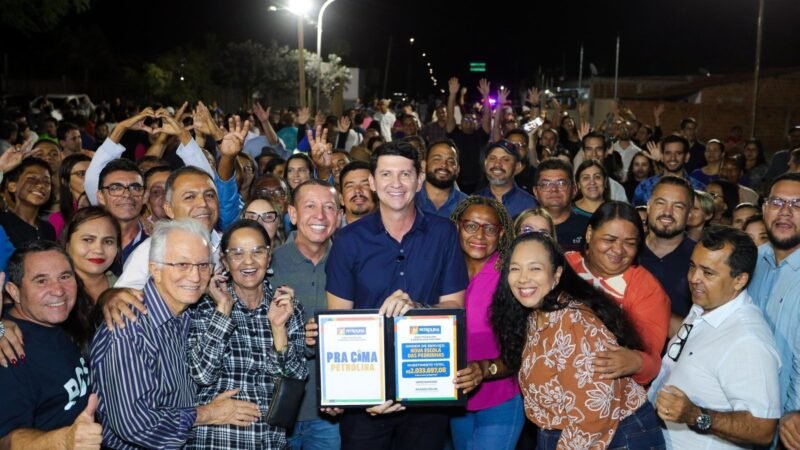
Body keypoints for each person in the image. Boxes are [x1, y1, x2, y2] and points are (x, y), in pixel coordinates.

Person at [325, 140, 468, 449]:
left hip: (426, 387)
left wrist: (416, 309)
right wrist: (363, 396)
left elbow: (455, 305)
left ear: (419, 180)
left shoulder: (444, 234)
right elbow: (339, 322)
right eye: (387, 175)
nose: (396, 184)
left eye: (405, 174)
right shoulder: (348, 241)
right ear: (374, 183)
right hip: (366, 401)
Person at [90, 219, 262, 449]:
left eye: (203, 265)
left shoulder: (187, 314)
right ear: (155, 269)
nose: (194, 276)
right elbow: (136, 425)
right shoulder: (129, 328)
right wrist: (207, 414)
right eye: (182, 265)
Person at [491, 232, 664, 449]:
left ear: (556, 275)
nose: (523, 277)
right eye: (515, 268)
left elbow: (592, 417)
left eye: (535, 268)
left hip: (614, 438)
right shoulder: (536, 314)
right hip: (569, 434)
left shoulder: (574, 325)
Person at [651, 226, 780, 449]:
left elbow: (763, 429)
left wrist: (695, 416)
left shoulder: (748, 341)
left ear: (739, 280)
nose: (694, 278)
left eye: (708, 273)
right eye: (693, 267)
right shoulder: (706, 305)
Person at [187, 220, 307, 449]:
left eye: (257, 251)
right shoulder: (203, 307)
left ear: (268, 256)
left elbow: (293, 382)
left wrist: (278, 328)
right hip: (219, 439)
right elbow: (202, 375)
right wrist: (222, 310)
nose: (249, 261)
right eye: (238, 253)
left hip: (269, 440)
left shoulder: (287, 307)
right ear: (224, 260)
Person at [0, 241, 101, 450]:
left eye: (65, 277)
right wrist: (63, 441)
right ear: (14, 291)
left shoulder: (67, 321)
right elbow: (7, 439)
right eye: (41, 281)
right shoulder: (8, 349)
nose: (58, 290)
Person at [565, 201, 671, 386]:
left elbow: (652, 361)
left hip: (608, 394)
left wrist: (635, 361)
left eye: (629, 243)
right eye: (609, 240)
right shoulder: (564, 265)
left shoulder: (647, 289)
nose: (618, 250)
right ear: (589, 234)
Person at [271, 179, 343, 450]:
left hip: (329, 413)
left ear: (340, 215)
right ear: (292, 214)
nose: (320, 216)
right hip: (274, 410)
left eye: (329, 207)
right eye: (310, 206)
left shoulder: (351, 264)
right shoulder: (268, 265)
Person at [448, 197, 524, 450]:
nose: (479, 235)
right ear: (457, 226)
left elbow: (524, 347)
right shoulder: (443, 269)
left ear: (501, 233)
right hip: (454, 399)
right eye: (471, 225)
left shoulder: (512, 277)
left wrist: (486, 369)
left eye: (489, 228)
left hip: (500, 395)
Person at [747, 173, 800, 449]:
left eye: (798, 204)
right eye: (778, 201)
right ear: (764, 208)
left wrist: (795, 411)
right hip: (744, 413)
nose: (785, 212)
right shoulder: (751, 260)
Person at [640, 176, 697, 337]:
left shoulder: (701, 259)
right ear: (649, 207)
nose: (667, 212)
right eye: (660, 203)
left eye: (678, 206)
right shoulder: (625, 252)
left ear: (690, 214)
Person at [63, 206, 121, 302]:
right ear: (68, 245)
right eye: (88, 240)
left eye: (108, 242)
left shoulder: (126, 285)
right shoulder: (54, 290)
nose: (98, 250)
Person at [532, 158, 589, 252]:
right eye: (546, 184)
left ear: (574, 190)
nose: (554, 189)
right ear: (535, 192)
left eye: (561, 183)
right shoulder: (521, 225)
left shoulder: (588, 227)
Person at [446, 78, 492, 194]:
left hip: (478, 183)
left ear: (476, 123)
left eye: (472, 119)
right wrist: (452, 94)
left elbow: (487, 117)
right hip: (457, 182)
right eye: (465, 119)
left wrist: (486, 96)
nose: (469, 121)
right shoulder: (455, 133)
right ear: (460, 122)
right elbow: (450, 114)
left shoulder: (480, 135)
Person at [633, 135, 706, 206]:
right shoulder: (644, 187)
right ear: (662, 156)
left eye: (678, 153)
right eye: (668, 153)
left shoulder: (699, 189)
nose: (673, 158)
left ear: (687, 157)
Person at [0, 158, 56, 247]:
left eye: (46, 182)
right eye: (31, 179)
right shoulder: (3, 223)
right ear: (12, 186)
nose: (41, 185)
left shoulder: (48, 229)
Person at [474, 140, 538, 218]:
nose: (497, 164)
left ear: (517, 167)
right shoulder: (473, 201)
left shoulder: (529, 205)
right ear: (485, 163)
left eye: (505, 159)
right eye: (492, 158)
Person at [416, 139, 467, 218]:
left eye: (450, 161)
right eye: (436, 159)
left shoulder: (467, 206)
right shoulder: (408, 200)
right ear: (424, 165)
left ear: (458, 169)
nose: (443, 165)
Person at [49, 153, 91, 239]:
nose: (88, 178)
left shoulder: (106, 208)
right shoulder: (57, 219)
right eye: (81, 174)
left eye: (91, 173)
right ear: (65, 182)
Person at [339, 160, 376, 226]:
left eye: (366, 184)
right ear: (341, 199)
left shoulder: (393, 228)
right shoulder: (330, 231)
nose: (357, 190)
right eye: (350, 186)